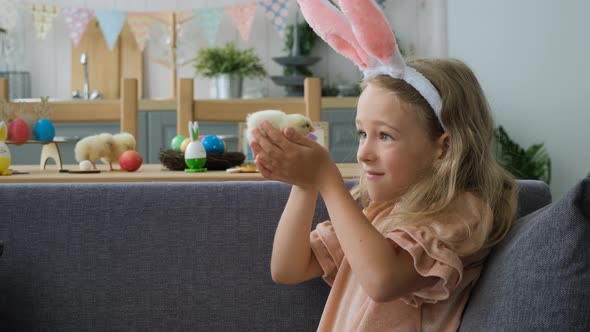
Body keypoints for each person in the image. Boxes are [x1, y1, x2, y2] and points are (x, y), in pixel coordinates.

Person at [249, 1, 517, 331]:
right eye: (363, 133)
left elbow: (383, 281)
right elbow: (287, 269)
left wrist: (328, 180)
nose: (363, 153)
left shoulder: (461, 213)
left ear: (443, 147)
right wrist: (306, 185)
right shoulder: (377, 216)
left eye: (385, 136)